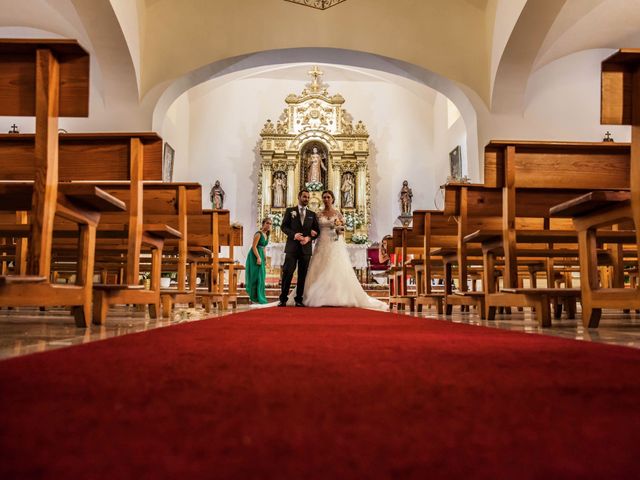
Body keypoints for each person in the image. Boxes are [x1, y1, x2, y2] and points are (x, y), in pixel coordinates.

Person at [302, 190, 388, 310]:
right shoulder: (318, 214)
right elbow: (314, 229)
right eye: (324, 197)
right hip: (322, 242)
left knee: (335, 267)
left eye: (328, 197)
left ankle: (336, 296)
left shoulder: (338, 213)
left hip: (335, 243)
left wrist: (339, 229)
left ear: (332, 199)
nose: (326, 199)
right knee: (320, 267)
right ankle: (319, 296)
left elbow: (342, 229)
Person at [278, 189, 320, 307]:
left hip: (305, 249)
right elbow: (284, 227)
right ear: (299, 197)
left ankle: (299, 299)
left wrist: (309, 238)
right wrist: (294, 235)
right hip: (292, 247)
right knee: (287, 273)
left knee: (302, 275)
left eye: (308, 197)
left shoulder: (312, 214)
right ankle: (283, 299)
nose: (306, 199)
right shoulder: (290, 211)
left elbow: (317, 231)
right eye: (304, 197)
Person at [245, 217, 272, 304]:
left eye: (270, 224)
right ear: (263, 223)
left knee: (261, 277)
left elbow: (263, 247)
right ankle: (253, 298)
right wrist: (258, 257)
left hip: (260, 254)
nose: (269, 225)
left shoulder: (267, 234)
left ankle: (259, 297)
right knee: (255, 276)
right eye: (267, 223)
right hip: (254, 255)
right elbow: (254, 247)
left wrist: (264, 257)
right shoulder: (258, 234)